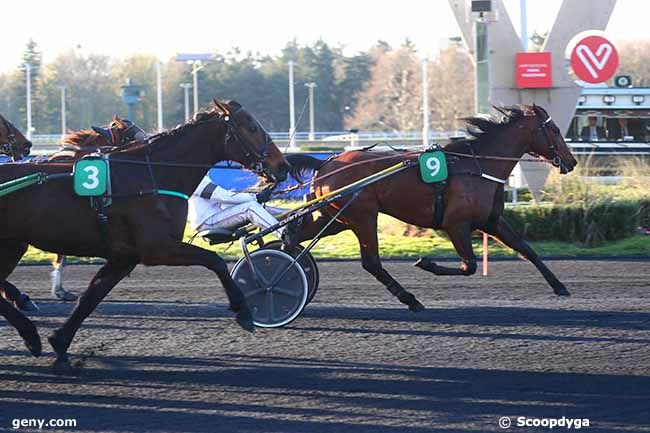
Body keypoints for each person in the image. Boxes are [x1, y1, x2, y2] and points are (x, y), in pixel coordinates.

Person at [188, 174, 288, 241]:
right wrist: (256, 197)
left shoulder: (201, 176)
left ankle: (293, 216)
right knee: (251, 208)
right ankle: (284, 235)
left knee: (259, 208)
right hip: (206, 222)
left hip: (214, 216)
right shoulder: (195, 178)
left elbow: (227, 197)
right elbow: (223, 196)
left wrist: (256, 194)